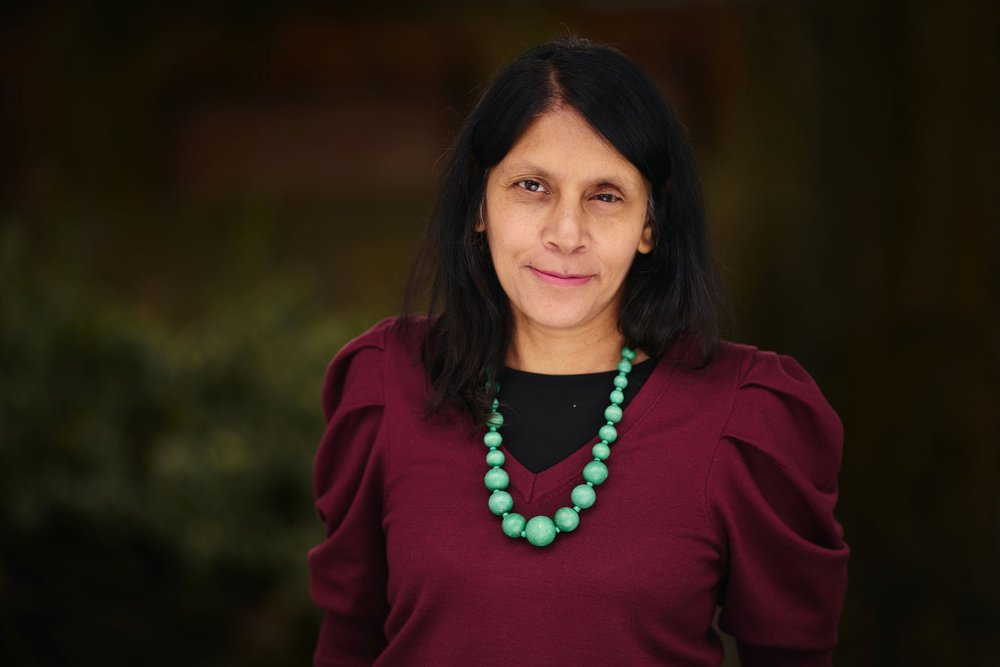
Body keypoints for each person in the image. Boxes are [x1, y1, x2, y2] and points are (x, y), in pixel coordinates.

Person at [308, 37, 848, 666]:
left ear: (651, 224)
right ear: (479, 205)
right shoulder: (386, 383)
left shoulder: (747, 417)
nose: (566, 234)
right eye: (532, 185)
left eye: (606, 195)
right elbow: (348, 643)